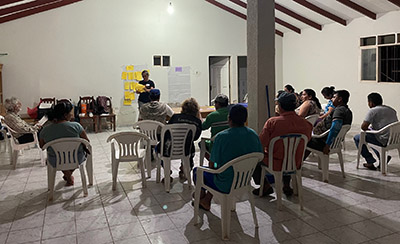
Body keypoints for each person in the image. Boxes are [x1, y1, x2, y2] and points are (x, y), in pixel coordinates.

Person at [193, 104, 263, 210]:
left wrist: (214, 160)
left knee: (197, 171)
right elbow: (259, 157)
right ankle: (205, 199)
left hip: (224, 183)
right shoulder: (253, 134)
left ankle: (203, 198)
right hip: (244, 181)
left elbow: (213, 165)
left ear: (229, 119)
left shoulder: (222, 137)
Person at [252, 92, 312, 196]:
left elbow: (260, 144)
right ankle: (287, 185)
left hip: (275, 162)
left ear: (279, 106)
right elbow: (307, 141)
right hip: (295, 162)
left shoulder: (272, 122)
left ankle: (265, 185)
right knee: (288, 154)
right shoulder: (306, 124)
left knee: (254, 157)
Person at [39, 102, 90, 186]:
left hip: (55, 160)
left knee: (60, 156)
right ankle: (69, 175)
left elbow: (42, 146)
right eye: (71, 113)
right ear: (66, 115)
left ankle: (68, 176)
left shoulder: (45, 130)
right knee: (73, 155)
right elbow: (86, 141)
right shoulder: (76, 126)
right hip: (77, 158)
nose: (72, 115)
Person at [161, 98, 202, 181]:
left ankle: (167, 171)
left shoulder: (175, 117)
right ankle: (184, 169)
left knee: (158, 148)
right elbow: (196, 137)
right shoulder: (197, 122)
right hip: (186, 150)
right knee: (191, 145)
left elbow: (166, 132)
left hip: (169, 149)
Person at [354, 92, 398, 170]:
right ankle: (383, 157)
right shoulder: (391, 110)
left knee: (358, 138)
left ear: (371, 102)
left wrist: (370, 129)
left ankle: (370, 161)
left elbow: (363, 127)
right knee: (370, 137)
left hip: (382, 139)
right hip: (395, 139)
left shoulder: (373, 111)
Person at [305, 90, 352, 159]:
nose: (331, 99)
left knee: (303, 140)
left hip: (323, 141)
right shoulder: (347, 111)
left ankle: (296, 164)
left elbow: (335, 128)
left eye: (334, 97)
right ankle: (298, 163)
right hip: (331, 142)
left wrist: (327, 145)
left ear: (339, 99)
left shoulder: (339, 111)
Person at [201, 94, 230, 161]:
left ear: (217, 104)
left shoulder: (212, 116)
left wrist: (200, 118)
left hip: (215, 145)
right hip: (229, 144)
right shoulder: (231, 113)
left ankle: (213, 162)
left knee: (201, 144)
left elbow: (203, 127)